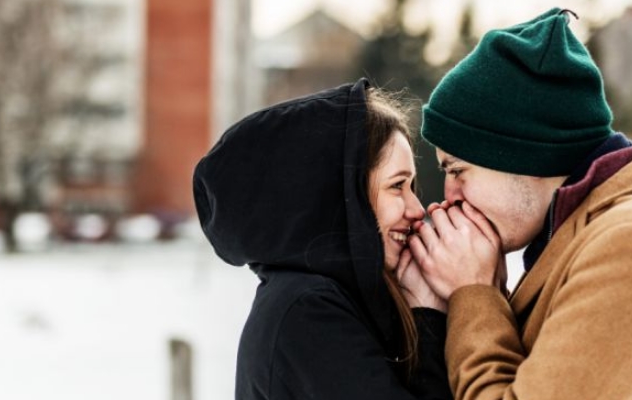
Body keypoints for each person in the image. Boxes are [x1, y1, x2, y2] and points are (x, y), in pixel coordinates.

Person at [407, 8, 632, 400]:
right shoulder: (591, 230)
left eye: (458, 170)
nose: (450, 195)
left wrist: (474, 292)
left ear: (522, 154)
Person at [193, 79, 452, 400]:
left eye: (412, 187)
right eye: (397, 186)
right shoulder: (307, 312)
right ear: (341, 194)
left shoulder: (325, 300)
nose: (417, 209)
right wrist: (429, 317)